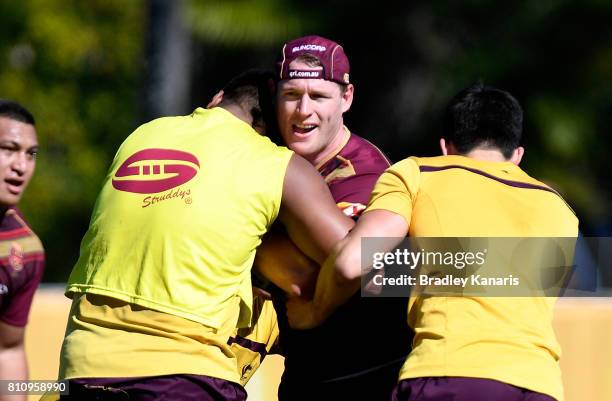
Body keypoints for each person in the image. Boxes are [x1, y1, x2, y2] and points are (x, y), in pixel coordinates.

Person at [57, 70, 354, 401]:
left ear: (215, 100)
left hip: (80, 370)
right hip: (183, 378)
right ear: (271, 131)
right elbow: (360, 260)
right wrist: (423, 262)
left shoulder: (143, 134)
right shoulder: (275, 163)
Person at [288, 83, 579, 401]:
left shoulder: (417, 173)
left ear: (445, 146)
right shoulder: (558, 207)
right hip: (540, 385)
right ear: (518, 155)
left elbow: (352, 262)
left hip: (449, 374)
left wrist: (314, 310)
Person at [229, 35, 412, 401]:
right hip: (306, 375)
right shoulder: (273, 156)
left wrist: (247, 230)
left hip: (364, 379)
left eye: (319, 97)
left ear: (347, 98)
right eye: (292, 95)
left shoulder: (365, 173)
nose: (303, 111)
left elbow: (313, 276)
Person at [0, 100, 44, 401]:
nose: (21, 166)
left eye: (30, 154)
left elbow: (8, 348)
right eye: (8, 149)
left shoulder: (25, 250)